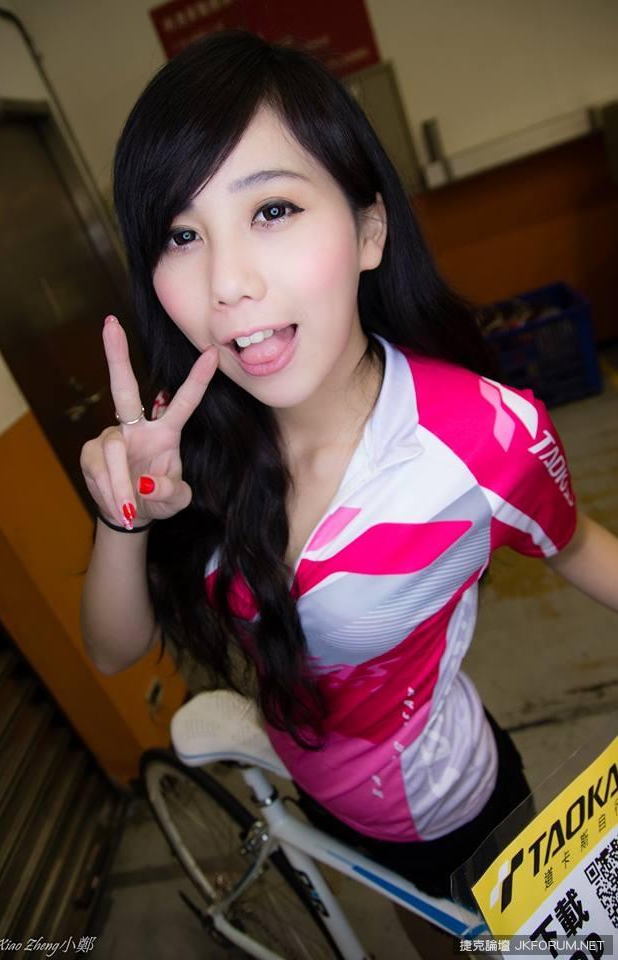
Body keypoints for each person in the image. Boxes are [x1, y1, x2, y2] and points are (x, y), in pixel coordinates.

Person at [80, 29, 618, 958]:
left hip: (451, 811)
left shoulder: (480, 440)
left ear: (369, 231)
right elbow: (112, 648)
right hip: (315, 786)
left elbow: (577, 547)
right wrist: (125, 514)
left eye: (273, 209)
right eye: (182, 234)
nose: (227, 283)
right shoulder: (186, 440)